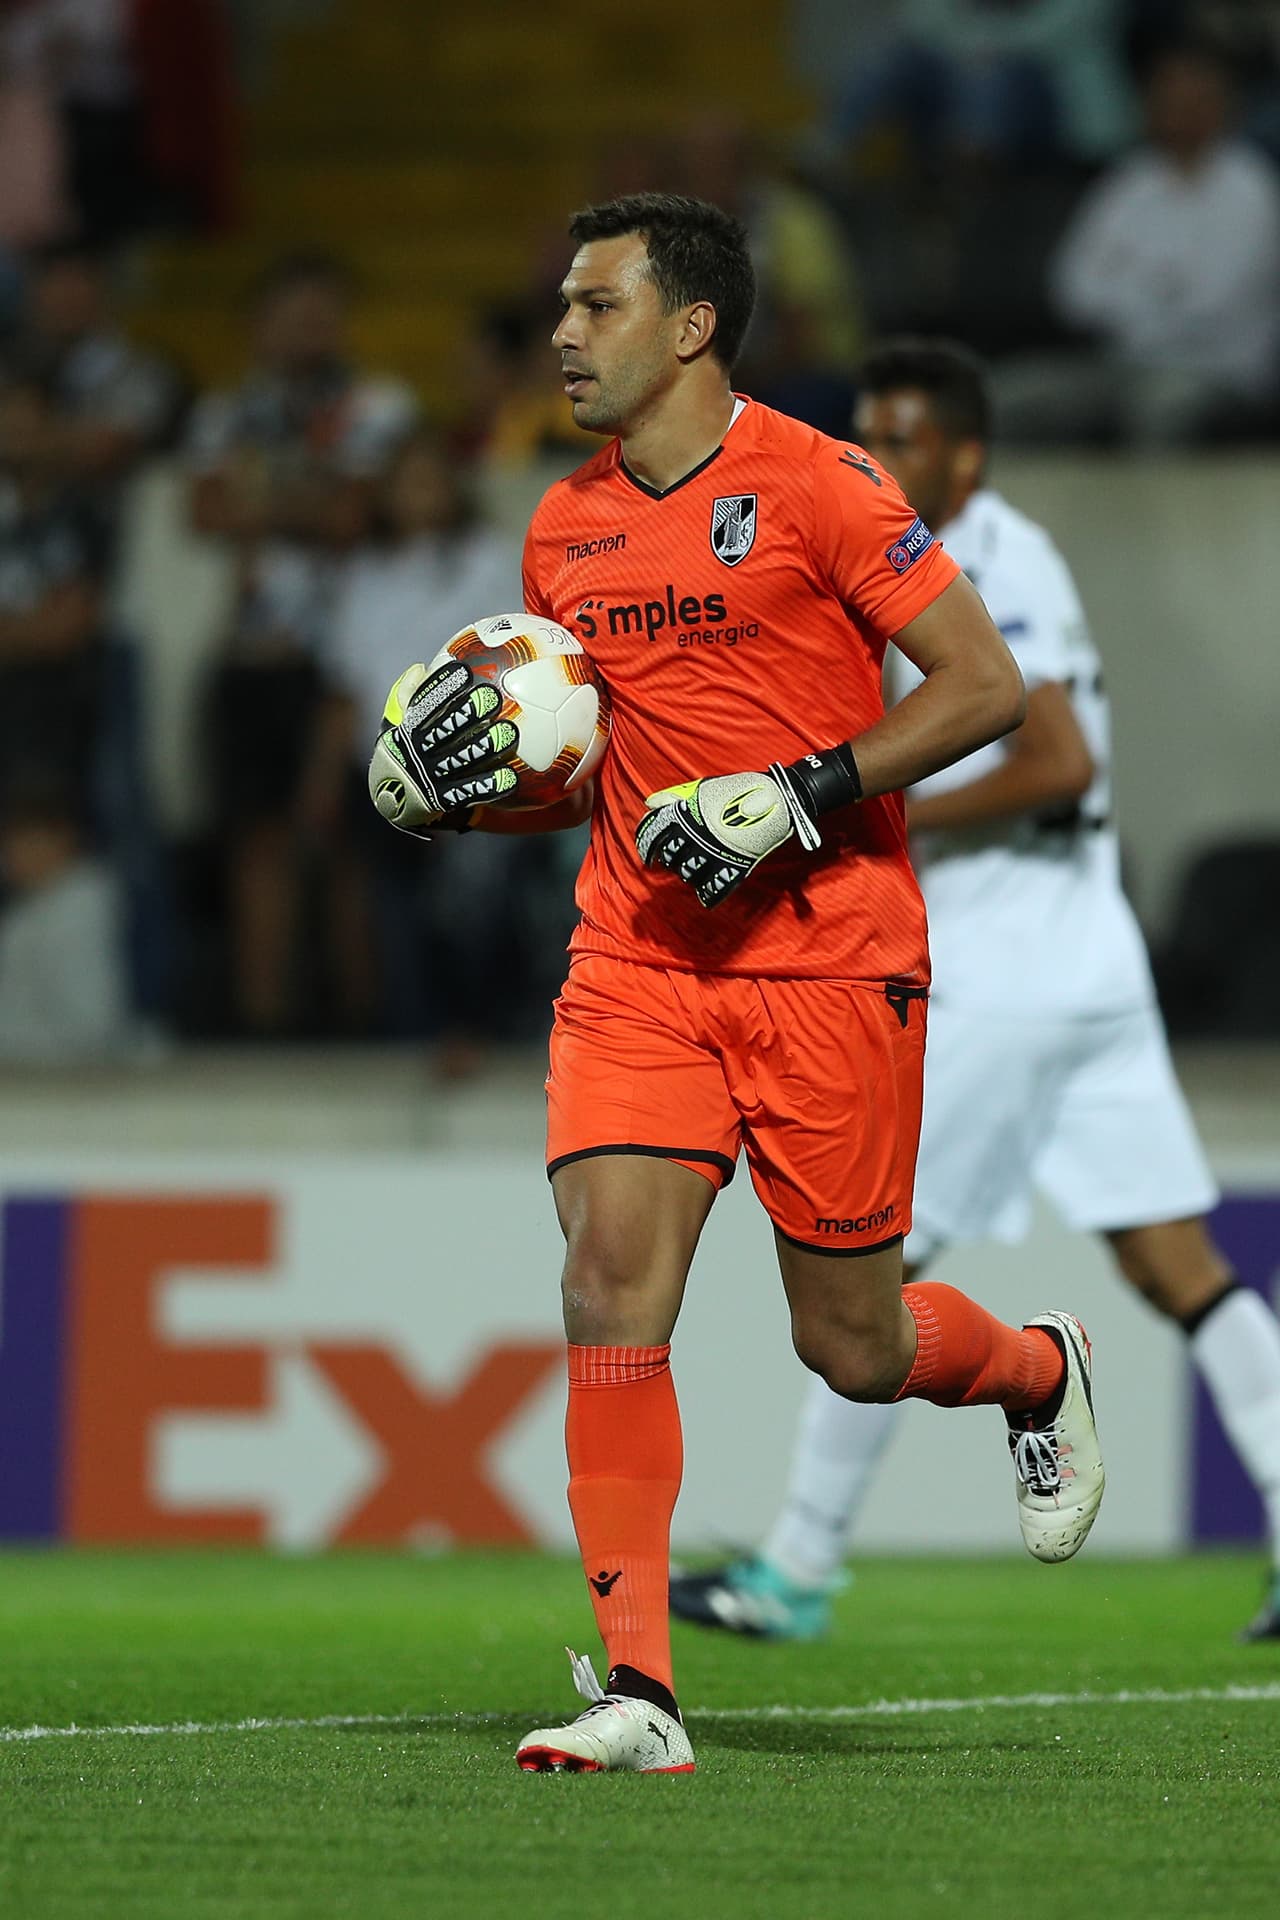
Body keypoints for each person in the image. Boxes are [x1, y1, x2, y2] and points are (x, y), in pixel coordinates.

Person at [367, 197, 1109, 1773]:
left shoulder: (824, 483)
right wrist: (472, 779)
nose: (561, 333)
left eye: (594, 304)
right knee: (606, 1283)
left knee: (850, 1343)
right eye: (562, 306)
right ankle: (639, 1691)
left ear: (689, 325)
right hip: (639, 958)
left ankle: (1038, 1368)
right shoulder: (561, 528)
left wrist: (805, 787)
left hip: (831, 956)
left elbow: (986, 691)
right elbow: (592, 765)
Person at [668, 338, 1280, 1649]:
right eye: (868, 438)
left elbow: (1052, 755)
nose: (881, 461)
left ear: (967, 455)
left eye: (907, 441)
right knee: (1181, 1267)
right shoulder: (945, 556)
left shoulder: (992, 557)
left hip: (1010, 973)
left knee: (869, 1271)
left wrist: (870, 801)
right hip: (1087, 958)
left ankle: (796, 1567)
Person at [186, 251, 418, 1035]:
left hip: (351, 656)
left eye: (320, 315)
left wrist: (267, 503)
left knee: (352, 843)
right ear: (258, 325)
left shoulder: (378, 405)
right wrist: (312, 502)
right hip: (254, 654)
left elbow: (356, 515)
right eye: (289, 315)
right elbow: (205, 511)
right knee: (257, 842)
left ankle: (362, 1025)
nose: (305, 332)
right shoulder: (225, 412)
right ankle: (263, 1026)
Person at [996, 40, 1280, 446]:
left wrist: (1128, 286)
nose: (1180, 113)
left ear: (1224, 107)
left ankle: (1176, 512)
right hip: (1118, 362)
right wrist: (1162, 288)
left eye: (1194, 100)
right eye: (1169, 100)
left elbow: (1213, 302)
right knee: (1007, 401)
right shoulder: (1129, 182)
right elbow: (1071, 287)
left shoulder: (1252, 188)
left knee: (1158, 411)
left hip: (1218, 371)